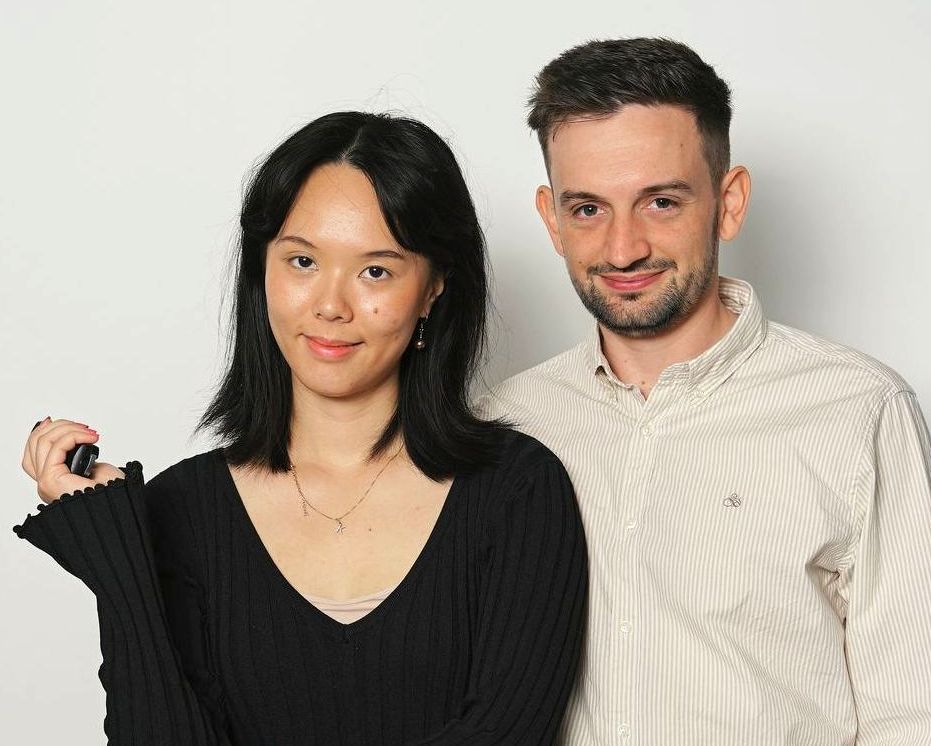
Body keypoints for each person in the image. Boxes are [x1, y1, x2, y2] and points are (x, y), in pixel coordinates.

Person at [17, 111, 588, 745]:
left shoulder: (517, 491)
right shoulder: (179, 511)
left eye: (376, 270)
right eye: (302, 261)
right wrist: (117, 551)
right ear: (261, 272)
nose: (330, 305)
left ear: (434, 290)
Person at [477, 38, 931, 744]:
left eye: (659, 201)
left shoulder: (856, 412)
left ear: (728, 201)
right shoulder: (504, 426)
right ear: (551, 219)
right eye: (587, 209)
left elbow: (922, 716)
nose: (622, 249)